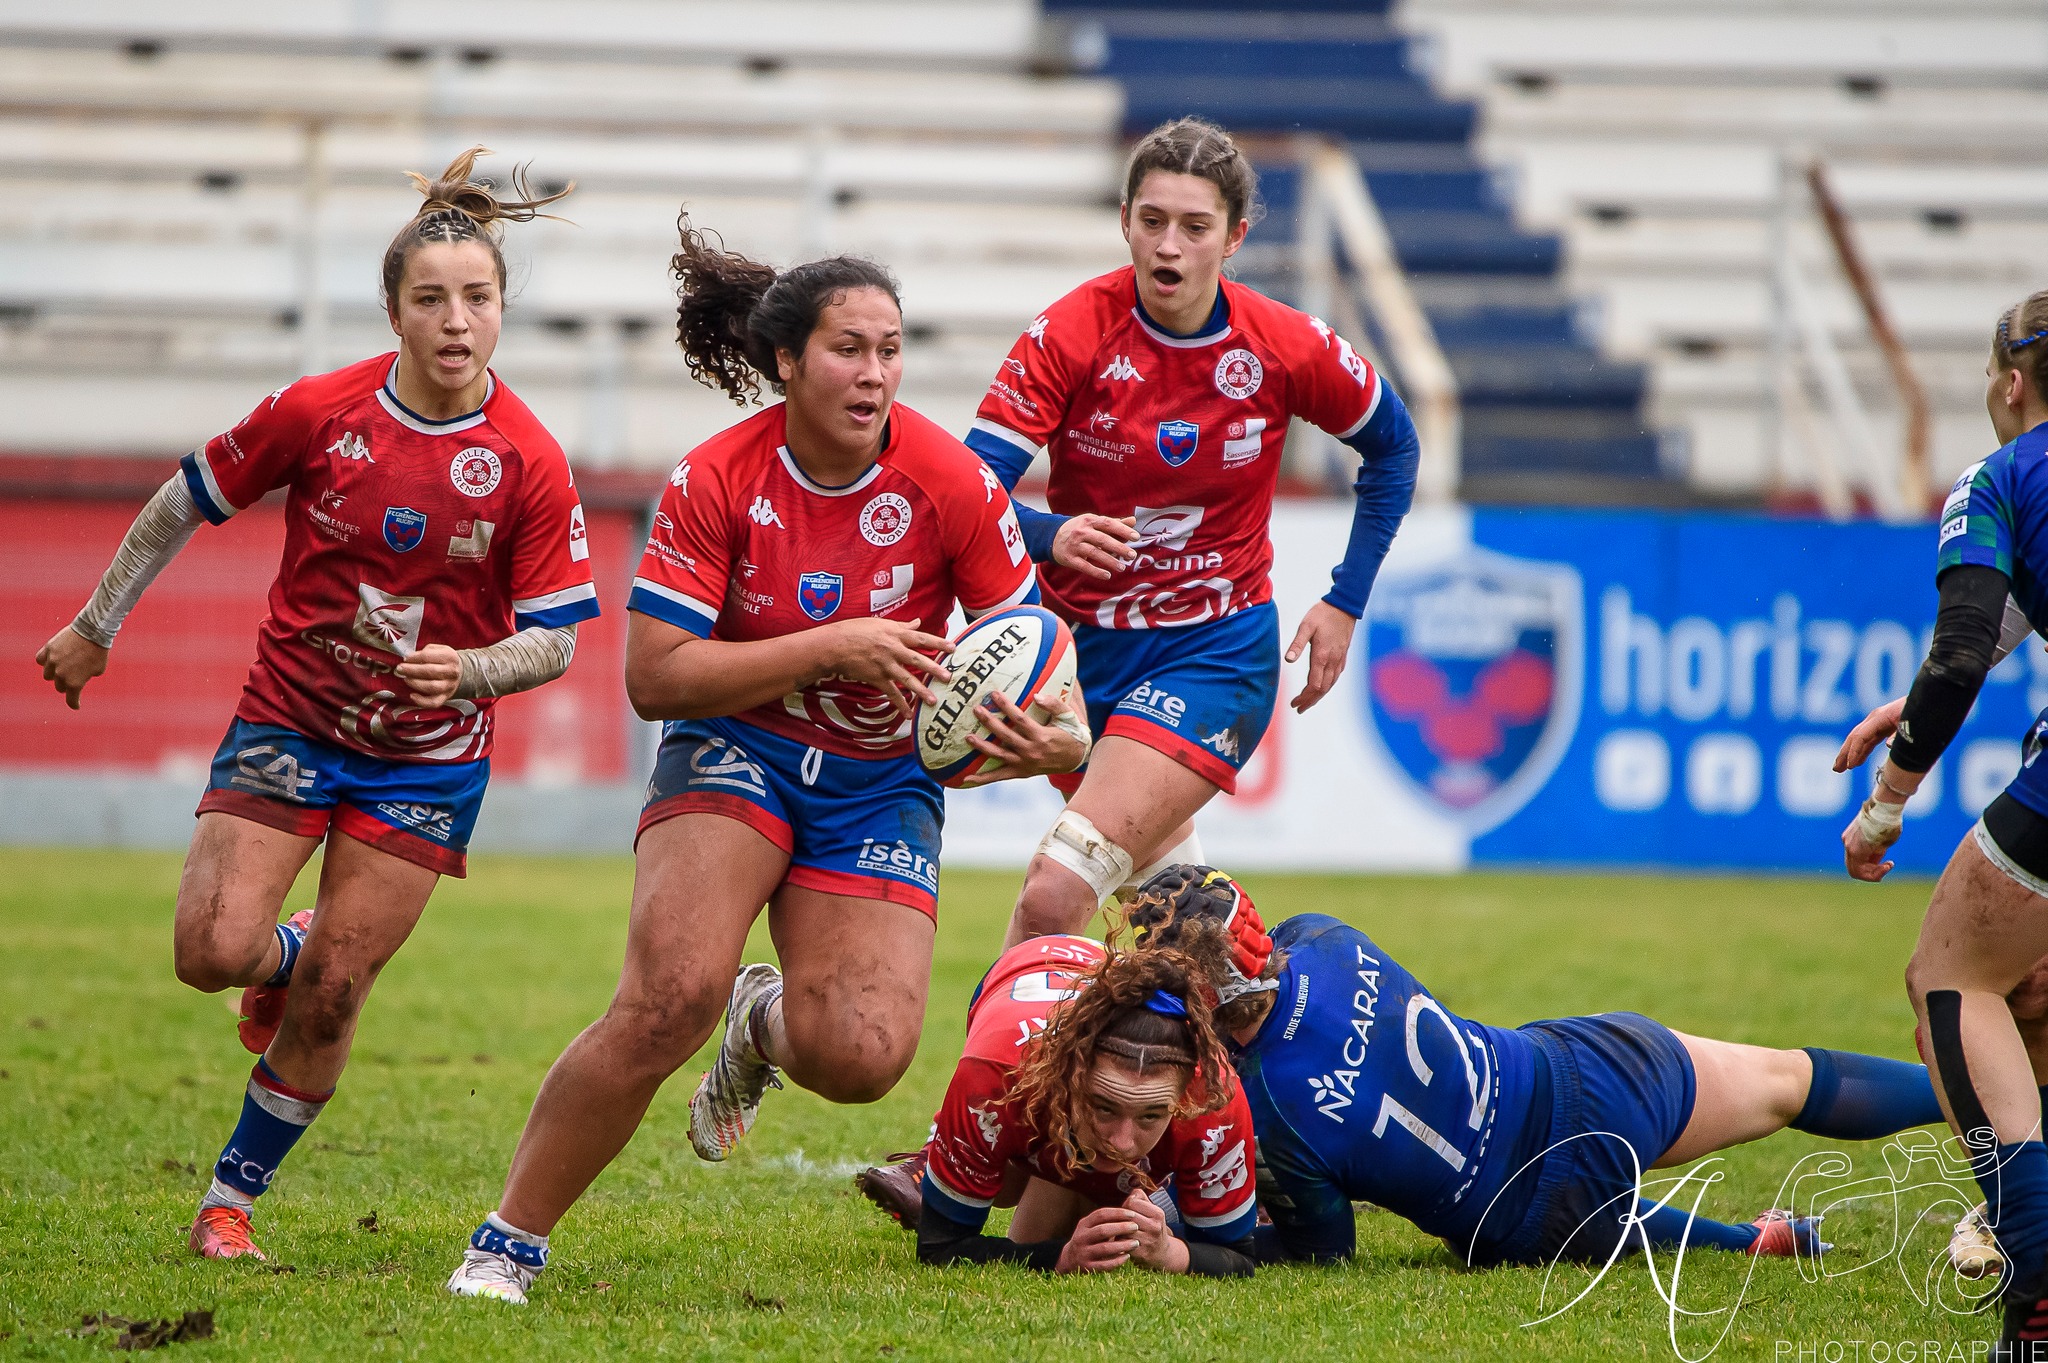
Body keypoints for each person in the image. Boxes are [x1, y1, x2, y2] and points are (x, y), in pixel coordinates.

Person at [446, 224, 1087, 1304]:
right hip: (736, 747)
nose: (873, 372)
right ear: (786, 361)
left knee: (862, 1055)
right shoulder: (717, 477)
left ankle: (764, 1020)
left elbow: (1032, 660)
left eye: (889, 349)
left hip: (882, 777)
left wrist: (1053, 739)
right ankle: (506, 1241)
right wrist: (835, 646)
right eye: (848, 348)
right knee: (664, 1001)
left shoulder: (953, 482)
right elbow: (655, 676)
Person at [32, 148, 598, 1262]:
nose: (455, 319)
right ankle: (277, 952)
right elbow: (177, 502)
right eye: (430, 299)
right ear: (393, 309)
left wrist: (471, 671)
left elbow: (557, 642)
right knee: (208, 951)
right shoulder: (320, 409)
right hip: (290, 722)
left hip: (426, 763)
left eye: (476, 298)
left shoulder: (529, 458)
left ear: (500, 310)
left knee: (337, 991)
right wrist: (97, 623)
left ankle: (228, 1200)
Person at [868, 867, 1945, 1269]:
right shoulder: (1326, 935)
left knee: (1584, 1210)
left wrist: (1189, 1245)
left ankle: (1742, 1238)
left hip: (1527, 1206)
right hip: (1575, 1063)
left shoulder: (1263, 1107)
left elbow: (1317, 1248)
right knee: (1792, 1079)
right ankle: (1982, 1092)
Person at [960, 116, 1419, 947]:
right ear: (1126, 221)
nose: (1168, 246)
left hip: (1211, 652)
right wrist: (1049, 533)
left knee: (1054, 893)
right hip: (1074, 659)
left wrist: (1345, 599)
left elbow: (1394, 446)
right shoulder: (1071, 331)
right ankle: (1238, 1054)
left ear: (1234, 236)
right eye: (1152, 221)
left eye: (1195, 227)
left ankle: (997, 1078)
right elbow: (969, 489)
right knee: (1180, 930)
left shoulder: (1281, 344)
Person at [1834, 290, 2048, 1353]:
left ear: (2010, 383)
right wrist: (1910, 700)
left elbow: (1961, 649)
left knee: (1951, 977)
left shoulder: (2000, 476)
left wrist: (1883, 805)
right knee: (2029, 986)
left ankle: (2035, 1270)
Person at [910, 934, 1258, 1277]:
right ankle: (938, 1152)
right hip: (1022, 970)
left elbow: (1237, 1255)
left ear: (1182, 1099)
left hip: (1100, 1008)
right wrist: (1059, 1257)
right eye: (1104, 1107)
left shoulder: (1213, 1098)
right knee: (1004, 1185)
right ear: (1068, 1073)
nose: (1121, 1142)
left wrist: (1170, 1252)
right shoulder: (995, 1077)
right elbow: (940, 1247)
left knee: (1107, 1199)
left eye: (1151, 1115)